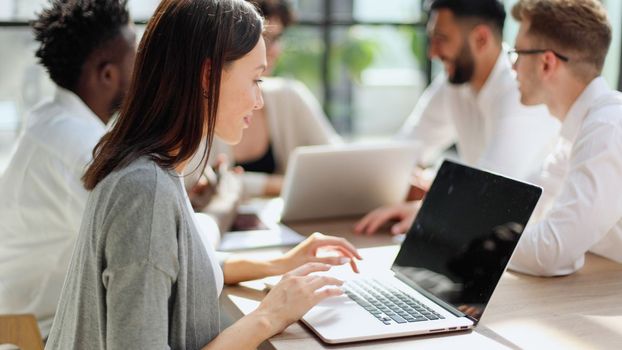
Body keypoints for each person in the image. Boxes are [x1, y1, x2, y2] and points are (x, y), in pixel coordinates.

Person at [45, 1, 361, 348]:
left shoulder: (155, 168)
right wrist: (268, 316)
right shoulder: (145, 192)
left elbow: (184, 262)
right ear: (207, 76)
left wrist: (279, 263)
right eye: (255, 79)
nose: (258, 100)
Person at [354, 0, 560, 235]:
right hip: (475, 231)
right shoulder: (455, 84)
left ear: (481, 39)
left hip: (528, 242)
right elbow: (406, 150)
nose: (432, 53)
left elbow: (490, 191)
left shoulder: (520, 93)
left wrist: (429, 204)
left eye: (441, 39)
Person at [0, 0, 136, 336]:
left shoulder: (50, 120)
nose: (144, 71)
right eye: (137, 59)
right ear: (107, 74)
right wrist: (217, 213)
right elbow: (145, 247)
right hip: (47, 335)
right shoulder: (83, 147)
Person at [507, 0, 622, 276]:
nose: (512, 67)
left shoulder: (608, 128)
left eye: (517, 53)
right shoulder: (579, 128)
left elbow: (550, 252)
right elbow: (523, 206)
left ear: (546, 63)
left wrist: (475, 242)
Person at [209, 0, 341, 197]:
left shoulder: (289, 95)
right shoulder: (203, 107)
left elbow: (339, 165)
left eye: (277, 38)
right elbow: (199, 182)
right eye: (264, 38)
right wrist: (290, 185)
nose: (272, 50)